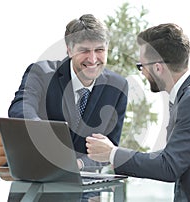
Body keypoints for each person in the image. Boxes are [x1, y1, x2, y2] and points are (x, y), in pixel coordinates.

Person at [86, 23, 190, 201]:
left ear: (158, 67)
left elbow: (169, 166)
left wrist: (112, 153)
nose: (142, 73)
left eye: (141, 66)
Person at [8, 14, 128, 171]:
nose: (92, 59)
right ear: (69, 50)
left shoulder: (117, 86)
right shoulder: (41, 73)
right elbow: (20, 107)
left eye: (99, 50)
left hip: (86, 184)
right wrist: (40, 130)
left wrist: (79, 164)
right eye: (84, 50)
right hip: (37, 179)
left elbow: (109, 147)